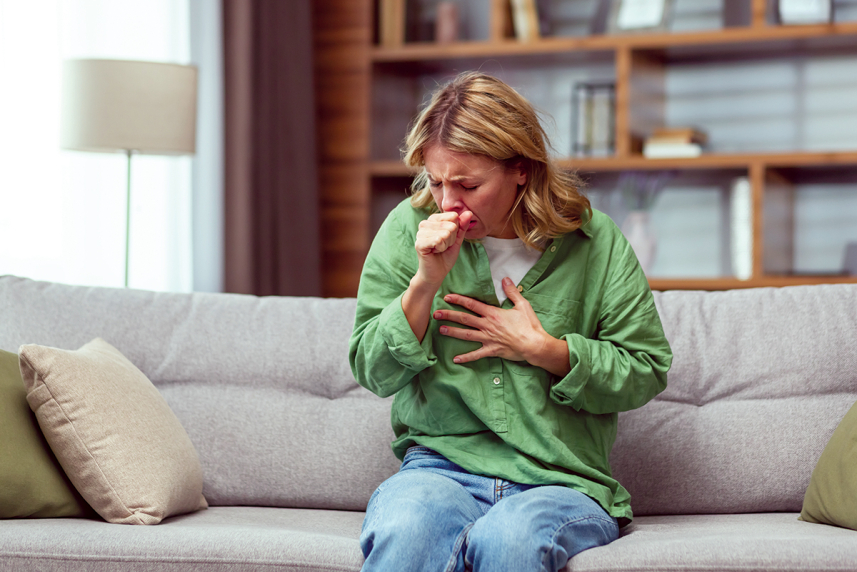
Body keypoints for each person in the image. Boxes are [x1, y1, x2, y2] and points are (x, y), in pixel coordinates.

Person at [348, 71, 672, 572]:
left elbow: (646, 368)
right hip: (440, 470)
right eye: (436, 182)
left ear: (521, 169)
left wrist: (547, 351)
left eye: (469, 184)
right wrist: (426, 281)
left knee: (510, 538)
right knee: (407, 529)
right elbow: (373, 371)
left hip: (559, 480)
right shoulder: (406, 228)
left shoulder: (596, 242)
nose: (448, 203)